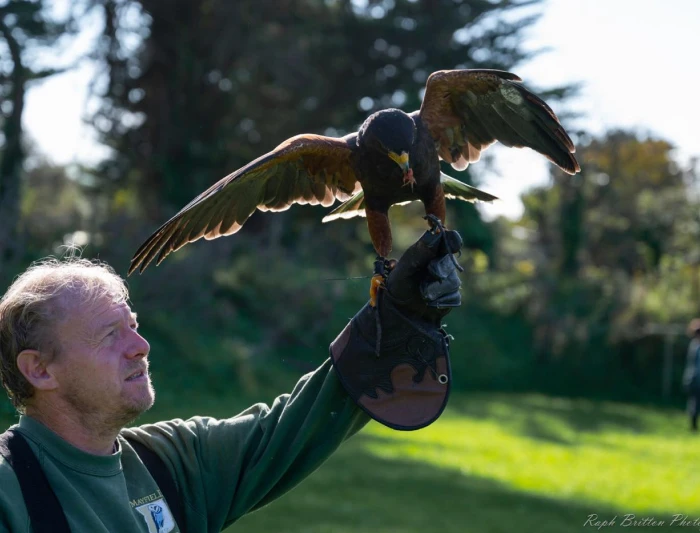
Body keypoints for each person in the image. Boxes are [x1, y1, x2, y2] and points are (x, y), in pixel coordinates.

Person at [0, 224, 463, 532]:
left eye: (134, 326)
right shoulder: (9, 490)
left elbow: (292, 427)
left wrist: (398, 318)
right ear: (40, 370)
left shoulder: (174, 463)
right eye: (108, 336)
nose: (140, 347)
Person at [683, 318, 700, 432]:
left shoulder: (694, 345)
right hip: (695, 380)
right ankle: (693, 427)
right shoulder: (694, 346)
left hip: (693, 379)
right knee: (694, 404)